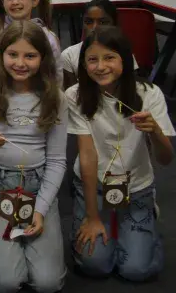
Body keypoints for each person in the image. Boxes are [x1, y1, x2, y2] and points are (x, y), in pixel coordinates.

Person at [0, 21, 68, 293]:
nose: (20, 63)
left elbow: (57, 161)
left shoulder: (54, 97)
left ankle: (6, 242)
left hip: (37, 186)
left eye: (30, 56)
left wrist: (41, 208)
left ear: (43, 58)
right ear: (1, 56)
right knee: (7, 282)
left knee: (48, 283)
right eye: (13, 54)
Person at [67, 26, 173, 281]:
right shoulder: (76, 95)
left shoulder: (149, 94)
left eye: (109, 58)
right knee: (96, 265)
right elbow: (88, 156)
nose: (101, 66)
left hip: (137, 187)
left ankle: (147, 224)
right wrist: (92, 217)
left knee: (136, 270)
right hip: (94, 187)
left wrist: (155, 131)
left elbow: (166, 159)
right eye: (92, 59)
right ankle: (104, 225)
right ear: (83, 64)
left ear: (125, 59)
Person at [59, 0, 136, 89]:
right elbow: (72, 95)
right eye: (88, 22)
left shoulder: (122, 51)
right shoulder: (69, 55)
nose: (95, 27)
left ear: (114, 25)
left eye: (103, 22)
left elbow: (130, 87)